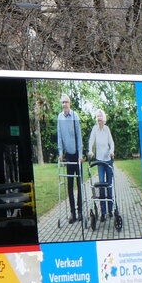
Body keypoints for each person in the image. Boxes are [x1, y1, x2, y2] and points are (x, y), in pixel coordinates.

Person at [55, 93, 83, 221]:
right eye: (62, 102)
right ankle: (73, 213)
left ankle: (80, 211)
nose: (64, 104)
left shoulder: (75, 115)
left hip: (77, 155)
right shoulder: (59, 117)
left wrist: (80, 155)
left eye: (66, 102)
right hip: (68, 156)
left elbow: (79, 136)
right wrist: (60, 154)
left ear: (69, 103)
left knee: (79, 184)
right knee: (70, 185)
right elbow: (59, 137)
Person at [87, 108, 116, 217]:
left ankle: (110, 210)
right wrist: (90, 151)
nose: (99, 118)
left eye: (100, 116)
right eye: (97, 116)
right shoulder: (94, 129)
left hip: (108, 161)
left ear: (103, 118)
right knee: (101, 185)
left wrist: (112, 151)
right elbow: (91, 141)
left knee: (109, 185)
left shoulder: (107, 129)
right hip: (99, 161)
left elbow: (111, 143)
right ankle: (103, 212)